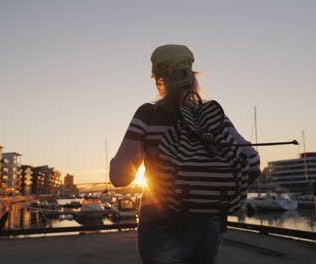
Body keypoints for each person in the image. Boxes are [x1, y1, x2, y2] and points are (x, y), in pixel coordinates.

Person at [109, 44, 260, 264]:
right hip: (209, 220)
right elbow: (253, 162)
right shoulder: (213, 116)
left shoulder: (148, 115)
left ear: (158, 79)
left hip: (161, 221)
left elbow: (119, 177)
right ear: (192, 75)